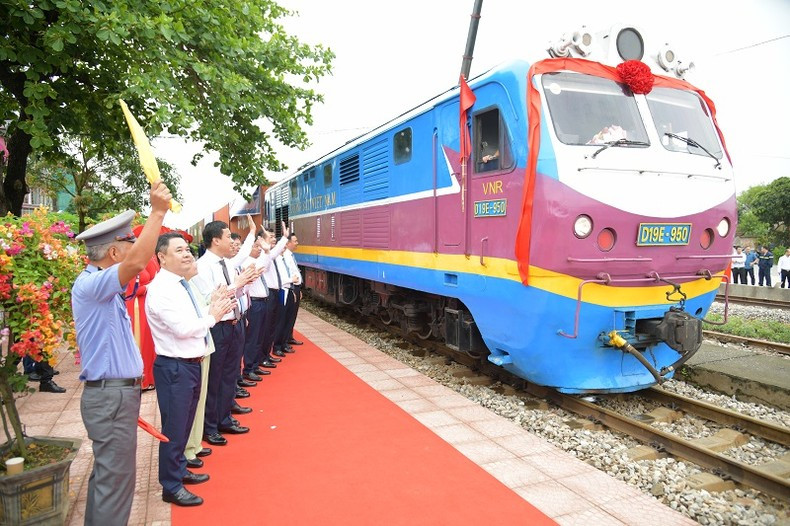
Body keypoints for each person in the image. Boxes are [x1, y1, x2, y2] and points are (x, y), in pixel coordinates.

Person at [71, 181, 172, 526]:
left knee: (112, 480)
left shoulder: (98, 285)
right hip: (110, 396)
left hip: (114, 395)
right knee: (115, 484)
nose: (134, 247)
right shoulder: (93, 284)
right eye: (129, 242)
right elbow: (141, 261)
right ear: (114, 254)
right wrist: (158, 212)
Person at [146, 232, 234, 507]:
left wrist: (210, 311)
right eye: (179, 250)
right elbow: (184, 329)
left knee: (184, 424)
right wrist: (213, 317)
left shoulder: (180, 284)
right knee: (174, 428)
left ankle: (180, 469)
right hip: (175, 368)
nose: (187, 254)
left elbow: (194, 319)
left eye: (187, 249)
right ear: (162, 257)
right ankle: (170, 485)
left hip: (189, 365)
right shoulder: (162, 289)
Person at [191, 220, 256, 446]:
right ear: (216, 240)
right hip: (218, 327)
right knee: (215, 379)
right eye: (228, 237)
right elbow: (212, 299)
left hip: (234, 322)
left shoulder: (226, 264)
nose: (232, 241)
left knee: (230, 375)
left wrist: (244, 284)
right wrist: (236, 284)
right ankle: (210, 427)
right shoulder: (202, 267)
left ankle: (225, 418)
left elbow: (234, 293)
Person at [124, 253, 160, 390]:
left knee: (149, 342)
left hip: (145, 302)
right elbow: (133, 290)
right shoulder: (132, 262)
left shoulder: (149, 259)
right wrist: (149, 286)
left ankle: (150, 378)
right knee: (141, 341)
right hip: (136, 304)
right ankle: (142, 379)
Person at [283, 233, 304, 347]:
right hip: (291, 287)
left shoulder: (290, 255)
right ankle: (285, 340)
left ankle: (289, 337)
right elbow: (289, 273)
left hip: (295, 287)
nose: (297, 243)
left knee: (292, 315)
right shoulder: (286, 256)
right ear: (288, 243)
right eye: (295, 241)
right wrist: (293, 288)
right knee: (289, 315)